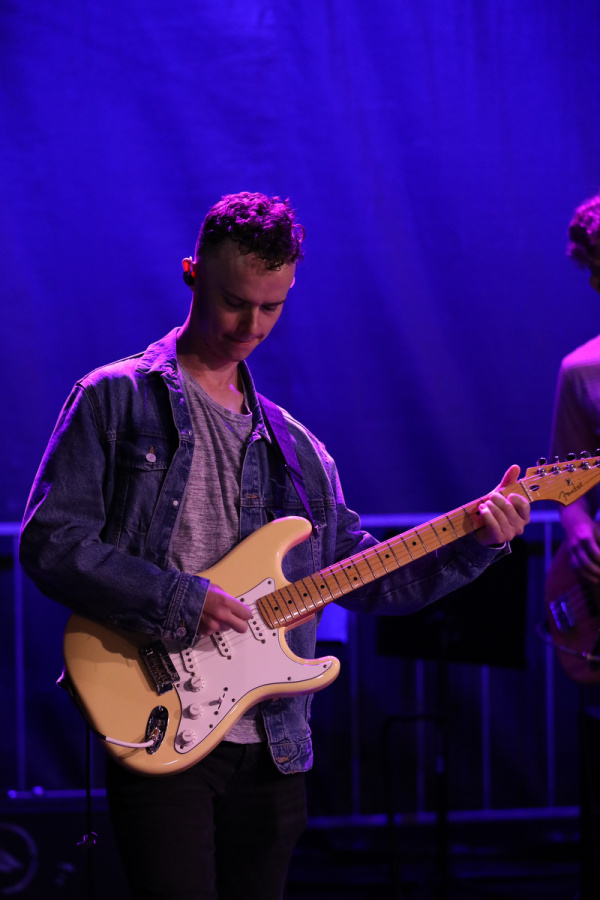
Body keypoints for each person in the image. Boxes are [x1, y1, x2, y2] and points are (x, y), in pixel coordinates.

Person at [19, 192, 530, 900]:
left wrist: (477, 541)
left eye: (272, 307)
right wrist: (182, 598)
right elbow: (52, 542)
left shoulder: (299, 448)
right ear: (192, 273)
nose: (250, 326)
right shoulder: (115, 398)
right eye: (234, 302)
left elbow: (370, 578)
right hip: (158, 714)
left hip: (275, 742)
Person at [550, 193, 600, 583]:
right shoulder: (580, 368)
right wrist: (578, 525)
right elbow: (565, 477)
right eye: (594, 270)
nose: (595, 283)